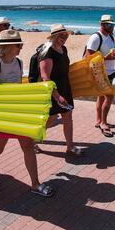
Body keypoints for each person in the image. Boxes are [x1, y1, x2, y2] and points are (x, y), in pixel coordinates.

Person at [0, 29, 54, 197]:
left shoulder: (18, 62)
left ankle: (35, 184)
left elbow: (17, 89)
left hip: (15, 114)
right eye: (18, 45)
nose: (21, 47)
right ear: (8, 46)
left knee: (28, 146)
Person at [37, 24, 84, 157]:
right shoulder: (47, 52)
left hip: (65, 88)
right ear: (54, 36)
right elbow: (45, 77)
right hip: (53, 91)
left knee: (68, 116)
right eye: (61, 35)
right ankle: (32, 139)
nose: (64, 37)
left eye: (66, 35)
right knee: (51, 120)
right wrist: (57, 96)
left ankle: (70, 147)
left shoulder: (63, 49)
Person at [84, 15, 115, 137]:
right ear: (102, 25)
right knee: (109, 97)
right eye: (109, 25)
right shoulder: (95, 38)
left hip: (110, 72)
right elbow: (88, 57)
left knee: (101, 97)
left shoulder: (111, 36)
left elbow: (111, 51)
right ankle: (104, 123)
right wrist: (106, 58)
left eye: (113, 24)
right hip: (100, 73)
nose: (112, 27)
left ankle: (98, 120)